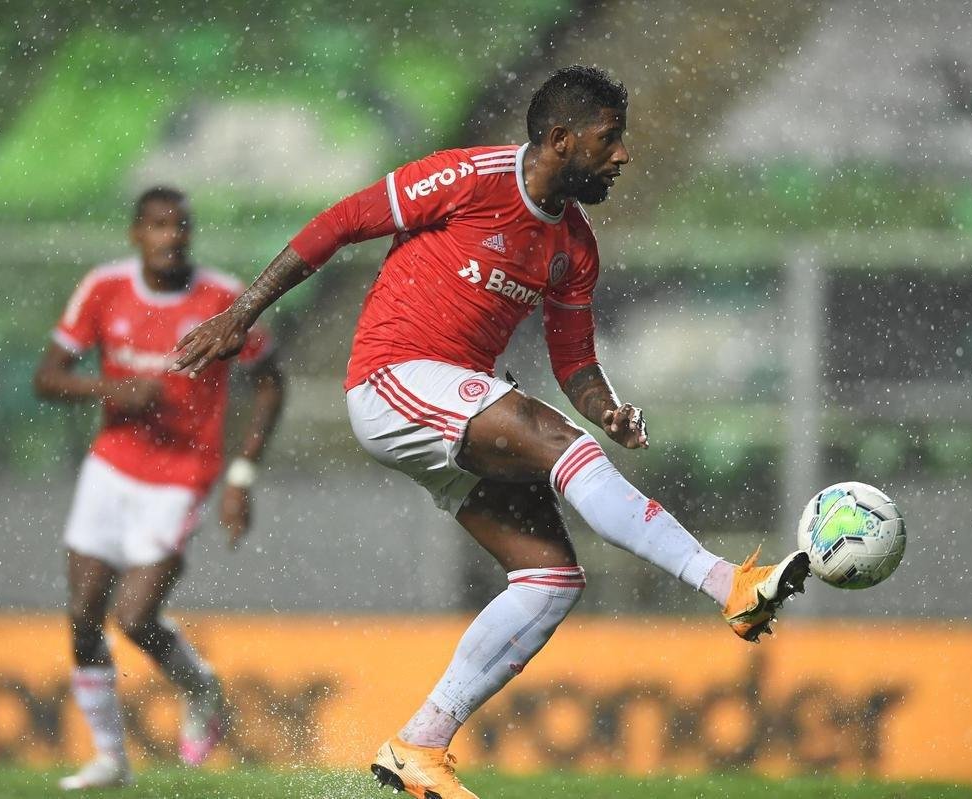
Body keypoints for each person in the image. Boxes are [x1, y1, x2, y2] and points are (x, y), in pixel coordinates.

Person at [171, 65, 809, 799]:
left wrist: (605, 407)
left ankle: (420, 743)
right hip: (393, 376)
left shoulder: (575, 246)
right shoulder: (470, 177)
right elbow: (342, 221)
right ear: (561, 139)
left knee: (550, 578)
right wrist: (243, 312)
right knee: (561, 445)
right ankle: (728, 583)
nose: (622, 155)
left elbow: (575, 360)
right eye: (609, 139)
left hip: (449, 411)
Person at [34, 187, 285, 790]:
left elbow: (271, 383)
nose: (171, 237)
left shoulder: (222, 298)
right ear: (136, 234)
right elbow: (47, 377)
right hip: (110, 465)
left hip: (182, 475)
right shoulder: (104, 288)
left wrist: (242, 474)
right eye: (158, 225)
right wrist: (108, 390)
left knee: (134, 615)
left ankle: (202, 688)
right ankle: (110, 759)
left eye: (180, 226)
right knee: (83, 614)